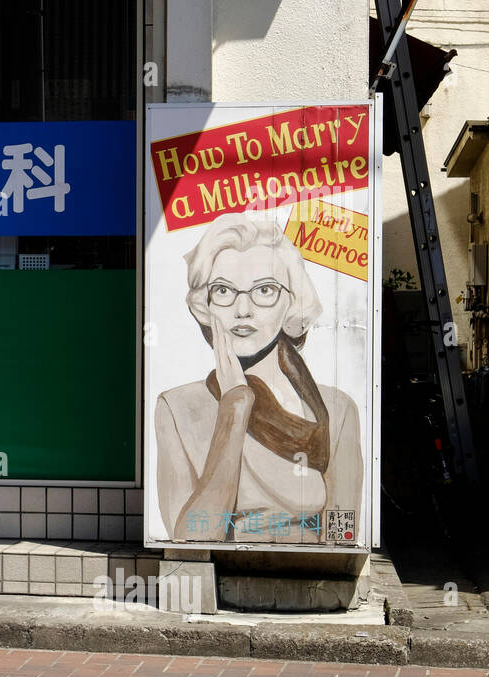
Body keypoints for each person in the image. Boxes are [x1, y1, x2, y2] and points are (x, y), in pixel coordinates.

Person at [154, 209, 363, 545]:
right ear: (205, 306)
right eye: (223, 291)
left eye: (264, 290)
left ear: (292, 303)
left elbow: (342, 536)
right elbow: (192, 536)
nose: (242, 310)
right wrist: (235, 405)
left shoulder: (337, 411)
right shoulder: (177, 408)